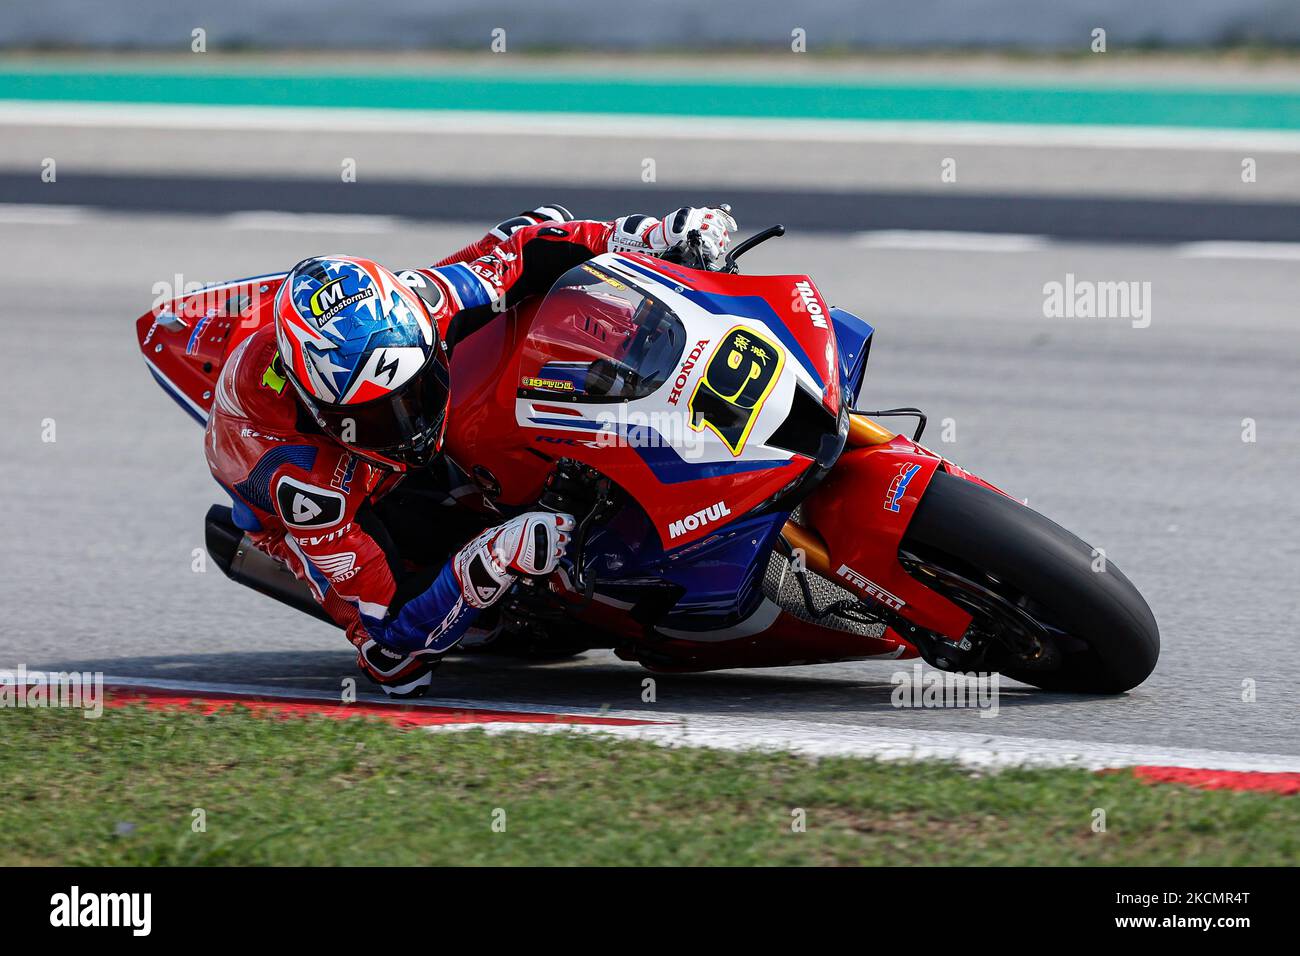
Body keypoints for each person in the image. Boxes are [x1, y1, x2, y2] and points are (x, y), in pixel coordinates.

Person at [204, 204, 738, 696]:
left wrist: (650, 235)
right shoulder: (304, 485)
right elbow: (394, 649)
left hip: (363, 383)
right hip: (328, 496)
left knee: (539, 224)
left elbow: (521, 252)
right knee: (407, 648)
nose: (411, 425)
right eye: (377, 416)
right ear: (324, 412)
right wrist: (493, 558)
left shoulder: (419, 306)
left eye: (416, 393)